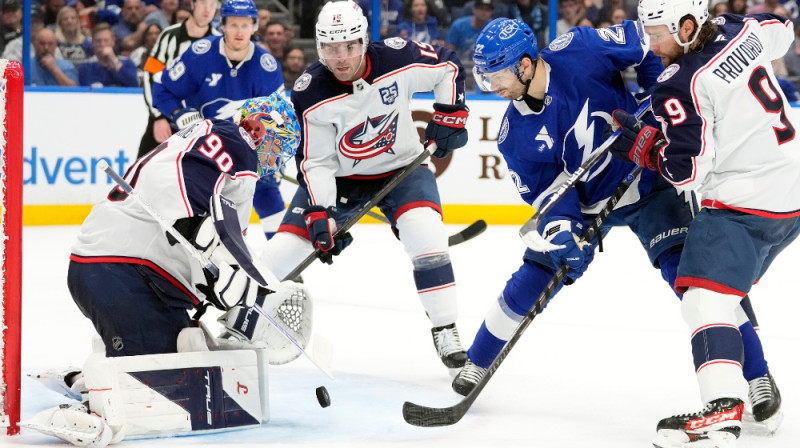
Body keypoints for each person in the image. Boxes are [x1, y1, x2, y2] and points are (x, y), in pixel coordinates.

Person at [452, 16, 783, 438]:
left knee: (699, 279)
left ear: (524, 65)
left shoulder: (581, 48)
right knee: (535, 273)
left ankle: (757, 377)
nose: (490, 85)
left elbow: (649, 47)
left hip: (647, 179)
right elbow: (552, 195)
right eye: (484, 75)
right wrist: (564, 231)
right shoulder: (513, 136)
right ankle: (477, 363)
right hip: (589, 204)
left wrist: (655, 92)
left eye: (496, 73)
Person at [23, 93, 307, 448]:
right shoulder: (237, 146)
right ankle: (91, 403)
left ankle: (85, 376)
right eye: (279, 146)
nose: (277, 159)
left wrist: (224, 282)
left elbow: (210, 241)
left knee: (188, 352)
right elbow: (185, 197)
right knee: (163, 378)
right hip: (118, 271)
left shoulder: (215, 139)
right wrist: (206, 237)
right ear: (260, 129)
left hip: (128, 273)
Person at [607, 2, 800, 446]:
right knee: (719, 293)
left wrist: (646, 150)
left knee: (701, 302)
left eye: (656, 34)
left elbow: (687, 173)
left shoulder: (678, 82)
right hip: (789, 192)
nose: (650, 45)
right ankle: (752, 390)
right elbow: (782, 31)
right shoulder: (742, 28)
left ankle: (722, 411)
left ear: (687, 26)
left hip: (744, 203)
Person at [259, 0, 471, 371]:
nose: (341, 57)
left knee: (427, 238)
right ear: (319, 45)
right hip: (341, 182)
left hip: (401, 169)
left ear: (365, 40)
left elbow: (448, 66)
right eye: (330, 48)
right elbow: (317, 162)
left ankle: (445, 327)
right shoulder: (310, 91)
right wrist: (321, 211)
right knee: (276, 259)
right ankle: (239, 326)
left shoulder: (398, 57)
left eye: (350, 46)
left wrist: (450, 113)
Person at [151, 0, 286, 241]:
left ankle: (283, 261)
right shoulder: (200, 54)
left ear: (254, 27)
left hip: (247, 149)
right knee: (195, 205)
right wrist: (177, 114)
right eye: (233, 24)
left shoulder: (267, 67)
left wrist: (273, 153)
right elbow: (162, 88)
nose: (239, 31)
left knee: (266, 190)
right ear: (222, 25)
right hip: (203, 148)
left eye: (245, 25)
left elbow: (278, 118)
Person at [137, 0, 220, 157]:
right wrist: (158, 117)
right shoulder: (170, 36)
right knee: (143, 171)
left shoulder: (218, 41)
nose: (208, 9)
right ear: (193, 4)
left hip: (201, 124)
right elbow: (151, 74)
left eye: (212, 4)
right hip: (166, 116)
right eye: (203, 3)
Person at [78, 22, 139, 87]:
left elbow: (134, 84)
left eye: (106, 40)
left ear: (113, 41)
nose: (102, 44)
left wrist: (114, 61)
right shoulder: (86, 66)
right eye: (98, 41)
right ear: (93, 43)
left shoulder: (127, 63)